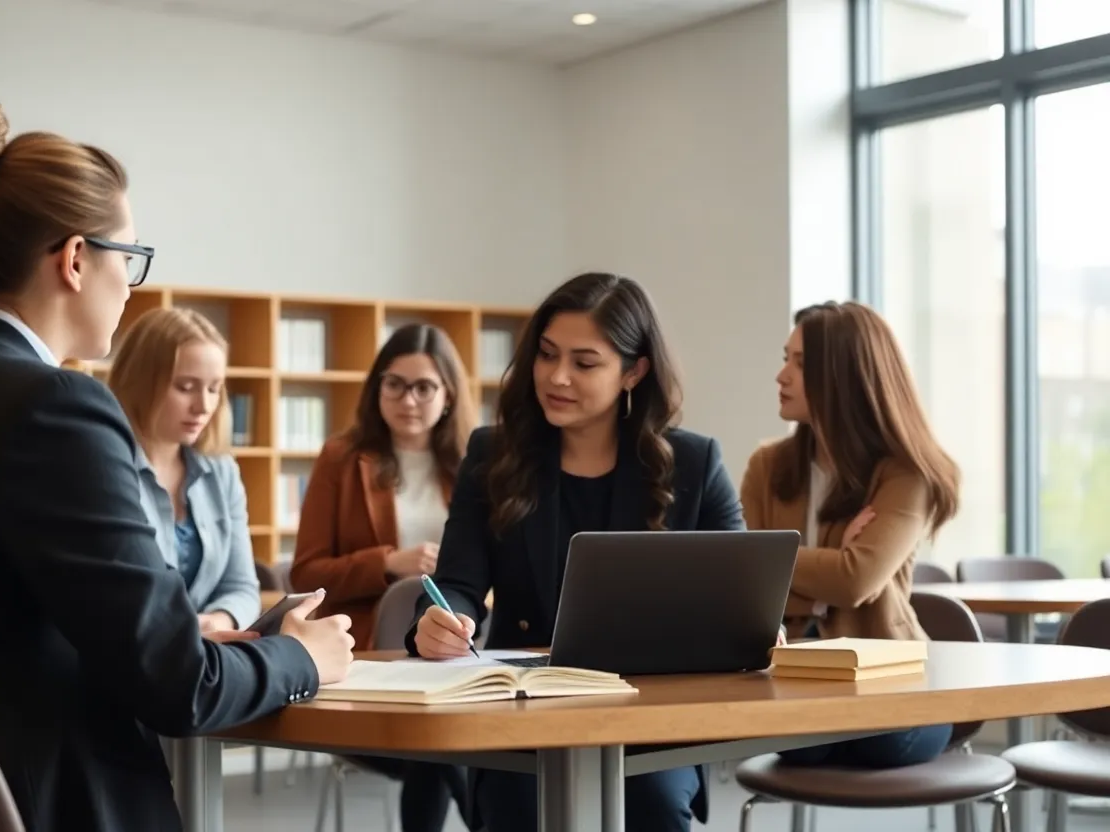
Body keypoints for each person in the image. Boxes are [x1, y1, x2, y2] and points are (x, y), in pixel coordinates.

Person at [0, 89, 354, 832]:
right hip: (48, 799)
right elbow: (180, 688)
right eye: (131, 258)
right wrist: (303, 657)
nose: (130, 286)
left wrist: (176, 636)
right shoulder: (53, 408)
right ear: (76, 259)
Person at [406, 272, 743, 832]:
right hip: (522, 711)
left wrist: (756, 625)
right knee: (516, 808)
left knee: (654, 806)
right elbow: (458, 581)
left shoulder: (694, 462)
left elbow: (740, 592)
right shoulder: (492, 454)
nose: (556, 377)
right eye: (546, 354)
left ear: (633, 371)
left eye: (584, 363)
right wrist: (440, 620)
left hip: (652, 712)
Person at [741, 300, 961, 768]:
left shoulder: (906, 473)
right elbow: (742, 578)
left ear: (846, 377)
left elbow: (855, 581)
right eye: (785, 359)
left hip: (895, 684)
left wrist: (785, 567)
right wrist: (832, 563)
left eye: (801, 364)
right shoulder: (767, 466)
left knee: (876, 740)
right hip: (791, 679)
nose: (781, 376)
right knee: (803, 742)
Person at [291, 322, 475, 832]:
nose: (408, 400)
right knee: (437, 741)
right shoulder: (342, 459)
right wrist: (388, 562)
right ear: (377, 388)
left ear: (448, 395)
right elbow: (305, 572)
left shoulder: (471, 465)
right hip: (369, 660)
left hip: (457, 658)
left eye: (424, 387)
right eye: (394, 384)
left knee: (443, 734)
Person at [108, 307, 260, 635]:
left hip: (209, 650)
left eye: (214, 389)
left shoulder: (222, 471)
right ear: (140, 382)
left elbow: (242, 586)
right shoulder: (107, 467)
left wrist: (217, 621)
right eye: (186, 386)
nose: (203, 406)